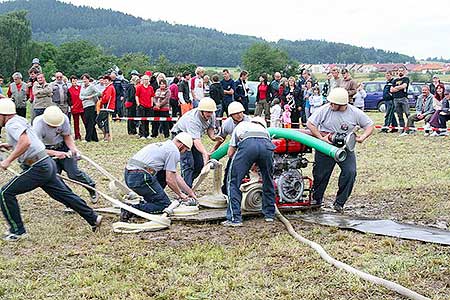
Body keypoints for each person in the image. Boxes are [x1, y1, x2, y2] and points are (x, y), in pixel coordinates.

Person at [0, 99, 102, 241]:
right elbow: (28, 141)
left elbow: (26, 142)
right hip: (46, 163)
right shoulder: (20, 119)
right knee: (64, 195)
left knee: (5, 192)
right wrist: (9, 145)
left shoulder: (11, 124)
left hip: (37, 166)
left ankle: (18, 231)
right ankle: (93, 217)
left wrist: (7, 160)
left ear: (3, 114)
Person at [307, 88, 374, 212]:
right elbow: (310, 124)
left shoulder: (354, 112)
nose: (331, 105)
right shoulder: (325, 109)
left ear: (342, 104)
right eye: (330, 102)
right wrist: (321, 138)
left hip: (345, 147)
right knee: (320, 174)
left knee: (350, 172)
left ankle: (339, 203)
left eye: (334, 103)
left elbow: (369, 125)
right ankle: (316, 200)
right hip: (326, 145)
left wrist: (362, 137)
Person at [119, 132, 197, 221]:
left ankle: (150, 201)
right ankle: (130, 209)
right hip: (140, 177)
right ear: (181, 146)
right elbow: (170, 179)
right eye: (185, 150)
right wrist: (180, 194)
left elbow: (175, 175)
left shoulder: (164, 146)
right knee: (163, 205)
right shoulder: (173, 151)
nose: (184, 153)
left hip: (130, 174)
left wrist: (190, 192)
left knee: (163, 173)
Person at [33, 106, 98, 202]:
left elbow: (67, 136)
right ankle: (71, 200)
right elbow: (37, 149)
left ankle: (91, 187)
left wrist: (73, 149)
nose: (55, 127)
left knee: (74, 173)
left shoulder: (63, 119)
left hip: (62, 146)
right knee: (55, 177)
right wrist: (56, 153)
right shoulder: (38, 125)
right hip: (46, 149)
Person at [223, 116, 276, 226]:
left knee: (233, 181)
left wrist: (245, 162)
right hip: (266, 145)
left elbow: (230, 153)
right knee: (268, 179)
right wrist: (255, 162)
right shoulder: (265, 131)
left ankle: (235, 219)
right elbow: (261, 151)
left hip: (248, 143)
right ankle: (269, 215)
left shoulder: (241, 126)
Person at [170, 97, 222, 187]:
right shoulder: (193, 120)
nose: (210, 114)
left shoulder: (212, 114)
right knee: (188, 163)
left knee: (199, 164)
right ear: (201, 111)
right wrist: (205, 153)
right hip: (181, 136)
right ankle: (186, 190)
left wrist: (213, 137)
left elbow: (210, 127)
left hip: (193, 137)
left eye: (211, 112)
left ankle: (185, 183)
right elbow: (196, 141)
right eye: (208, 112)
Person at [211, 102, 250, 194]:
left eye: (241, 112)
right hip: (235, 150)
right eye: (236, 113)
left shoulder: (249, 121)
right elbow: (222, 137)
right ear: (231, 115)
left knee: (248, 172)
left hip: (248, 150)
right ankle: (226, 191)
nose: (240, 115)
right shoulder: (227, 124)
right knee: (229, 170)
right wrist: (214, 150)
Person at [79, 74, 100, 142]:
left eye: (85, 79)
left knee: (89, 122)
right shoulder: (82, 86)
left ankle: (88, 138)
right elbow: (80, 96)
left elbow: (99, 93)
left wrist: (92, 96)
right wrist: (86, 98)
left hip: (90, 105)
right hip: (84, 105)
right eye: (83, 79)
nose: (84, 80)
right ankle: (95, 138)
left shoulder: (91, 86)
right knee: (88, 122)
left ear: (88, 79)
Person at [390, 67, 410, 133]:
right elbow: (391, 90)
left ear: (404, 72)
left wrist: (396, 88)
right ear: (397, 72)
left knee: (407, 114)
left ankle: (411, 128)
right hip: (396, 99)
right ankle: (402, 128)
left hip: (403, 98)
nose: (400, 72)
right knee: (399, 115)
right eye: (399, 71)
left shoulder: (406, 79)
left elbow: (404, 86)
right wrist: (398, 88)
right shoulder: (394, 80)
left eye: (402, 71)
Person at [97, 75, 116, 142]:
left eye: (106, 80)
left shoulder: (110, 88)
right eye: (104, 80)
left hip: (107, 107)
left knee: (99, 120)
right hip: (106, 107)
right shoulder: (108, 87)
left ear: (110, 81)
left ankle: (106, 134)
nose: (104, 82)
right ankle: (106, 135)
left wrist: (101, 100)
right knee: (105, 122)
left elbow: (106, 98)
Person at [135, 74, 154, 139]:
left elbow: (152, 96)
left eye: (147, 79)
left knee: (147, 120)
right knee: (142, 120)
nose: (146, 81)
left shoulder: (150, 88)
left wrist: (151, 104)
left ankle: (147, 134)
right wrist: (138, 104)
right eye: (144, 79)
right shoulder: (139, 87)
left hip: (148, 106)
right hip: (141, 105)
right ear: (142, 80)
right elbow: (137, 96)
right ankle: (142, 134)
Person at [67, 75, 84, 141]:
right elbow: (68, 99)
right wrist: (71, 105)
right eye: (73, 81)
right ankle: (77, 136)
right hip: (75, 108)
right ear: (71, 82)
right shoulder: (69, 90)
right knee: (76, 123)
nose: (74, 82)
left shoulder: (81, 88)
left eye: (75, 80)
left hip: (82, 106)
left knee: (85, 121)